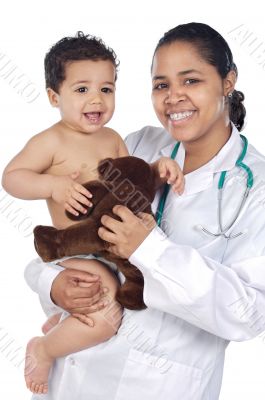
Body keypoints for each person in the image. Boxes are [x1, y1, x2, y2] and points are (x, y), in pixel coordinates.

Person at [23, 21, 265, 400]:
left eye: (191, 81)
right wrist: (52, 286)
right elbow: (67, 238)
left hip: (155, 387)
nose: (174, 97)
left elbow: (248, 314)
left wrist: (148, 249)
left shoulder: (257, 188)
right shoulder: (135, 146)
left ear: (228, 81)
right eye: (161, 84)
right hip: (68, 378)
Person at [1, 32, 184, 395]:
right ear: (55, 96)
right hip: (76, 249)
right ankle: (45, 349)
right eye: (82, 90)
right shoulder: (51, 141)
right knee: (105, 317)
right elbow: (11, 178)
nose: (96, 99)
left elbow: (129, 182)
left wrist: (157, 169)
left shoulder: (113, 137)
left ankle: (62, 327)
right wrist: (52, 186)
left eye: (107, 89)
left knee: (120, 304)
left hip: (114, 249)